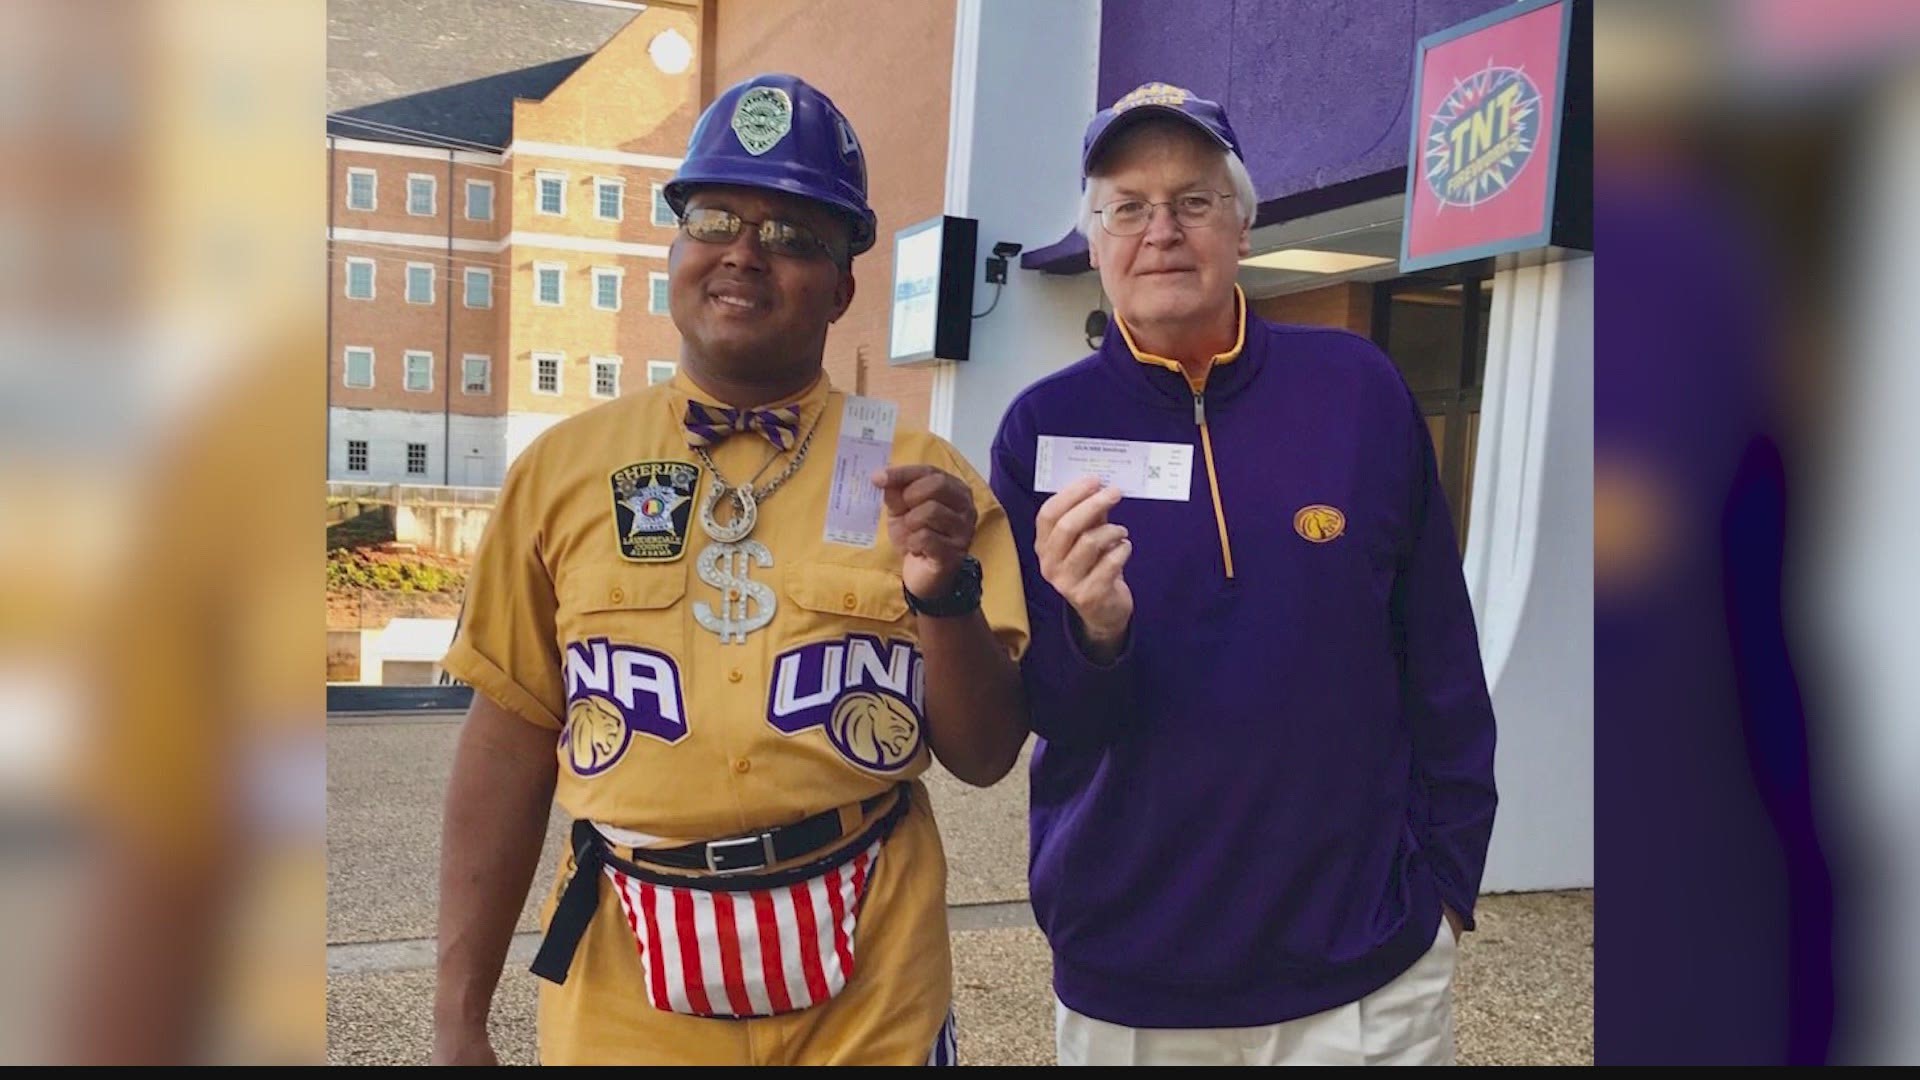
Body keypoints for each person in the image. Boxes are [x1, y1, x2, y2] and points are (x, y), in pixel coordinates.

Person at [433, 73, 1029, 1066]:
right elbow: (505, 748)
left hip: (870, 977)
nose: (747, 254)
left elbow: (984, 752)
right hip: (626, 972)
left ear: (844, 286)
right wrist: (459, 1016)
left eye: (795, 235)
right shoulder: (561, 472)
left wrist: (945, 592)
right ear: (675, 248)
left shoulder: (925, 482)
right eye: (717, 218)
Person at [988, 82, 1500, 1066]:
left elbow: (1439, 652)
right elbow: (1049, 713)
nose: (1161, 231)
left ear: (1244, 227)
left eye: (1194, 200)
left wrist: (1447, 885)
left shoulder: (1358, 391)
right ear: (1094, 242)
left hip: (1367, 971)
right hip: (1132, 977)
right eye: (1127, 208)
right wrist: (1093, 631)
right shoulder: (1044, 432)